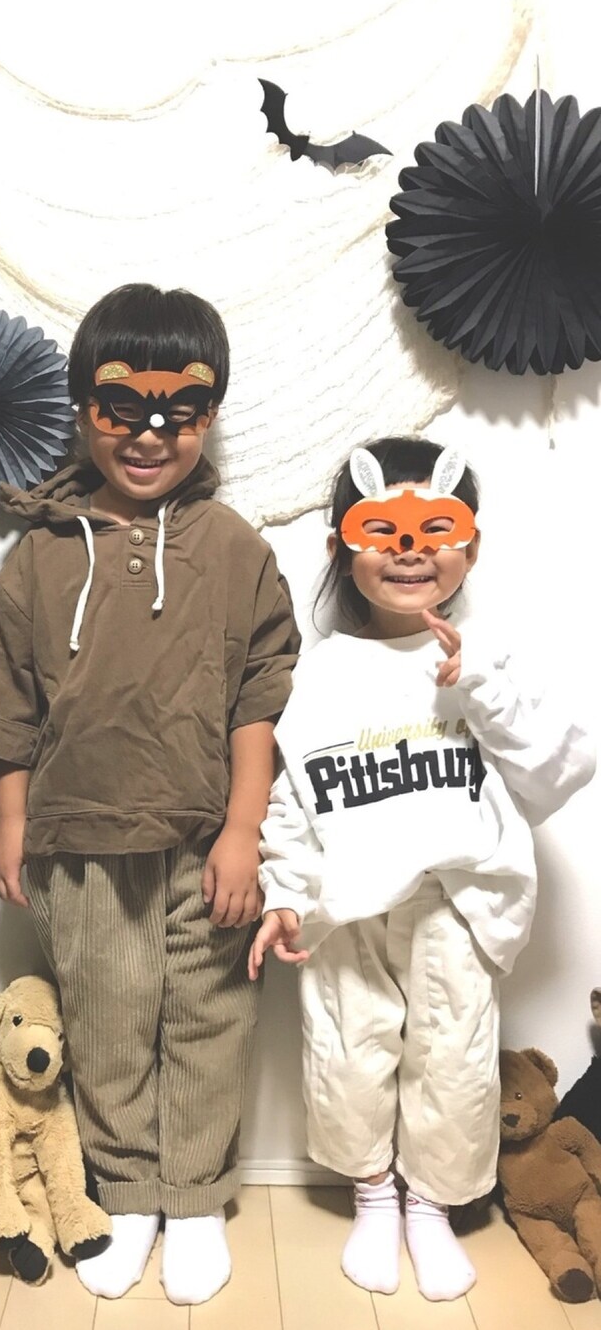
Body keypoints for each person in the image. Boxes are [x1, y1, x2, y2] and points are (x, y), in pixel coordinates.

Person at [0, 283, 300, 1305]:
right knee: (104, 1026)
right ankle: (128, 1191)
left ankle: (195, 1197)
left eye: (178, 411)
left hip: (206, 844)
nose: (149, 434)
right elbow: (7, 698)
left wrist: (244, 829)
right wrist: (11, 817)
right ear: (81, 407)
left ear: (209, 413)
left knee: (209, 1022)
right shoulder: (40, 555)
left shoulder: (235, 548)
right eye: (121, 408)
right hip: (81, 846)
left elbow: (260, 695)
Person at [248, 436, 594, 1301]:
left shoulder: (491, 658)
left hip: (457, 899)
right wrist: (285, 892)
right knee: (347, 1052)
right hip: (348, 903)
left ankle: (432, 1206)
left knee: (454, 1061)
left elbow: (559, 772)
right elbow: (293, 798)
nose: (409, 550)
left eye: (436, 529)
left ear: (469, 546)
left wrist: (482, 690)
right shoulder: (321, 674)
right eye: (382, 531)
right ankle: (373, 1196)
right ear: (342, 548)